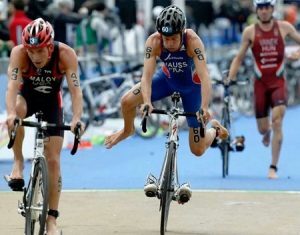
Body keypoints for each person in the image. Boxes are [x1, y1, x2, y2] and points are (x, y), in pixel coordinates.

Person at [104, 5, 228, 203]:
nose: (168, 43)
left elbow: (205, 77)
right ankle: (127, 130)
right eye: (165, 38)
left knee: (197, 150)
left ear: (181, 33)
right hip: (166, 80)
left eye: (173, 38)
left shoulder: (193, 41)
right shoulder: (154, 41)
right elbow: (146, 77)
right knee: (126, 101)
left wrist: (204, 107)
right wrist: (146, 102)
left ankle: (212, 129)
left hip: (191, 89)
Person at [5, 18, 84, 234]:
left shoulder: (65, 54)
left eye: (40, 50)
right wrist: (11, 113)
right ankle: (18, 162)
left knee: (53, 160)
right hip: (27, 97)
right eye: (31, 50)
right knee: (18, 112)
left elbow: (76, 91)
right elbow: (11, 88)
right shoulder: (19, 54)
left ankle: (51, 220)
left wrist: (77, 117)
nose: (35, 56)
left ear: (50, 46)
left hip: (52, 104)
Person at [227, 0, 300, 179]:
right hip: (260, 84)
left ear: (273, 9)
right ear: (257, 10)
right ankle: (266, 133)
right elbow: (239, 57)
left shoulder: (284, 27)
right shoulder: (250, 32)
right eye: (261, 8)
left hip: (278, 83)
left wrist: (296, 55)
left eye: (267, 7)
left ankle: (273, 167)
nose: (265, 11)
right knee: (263, 128)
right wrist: (230, 78)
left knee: (277, 121)